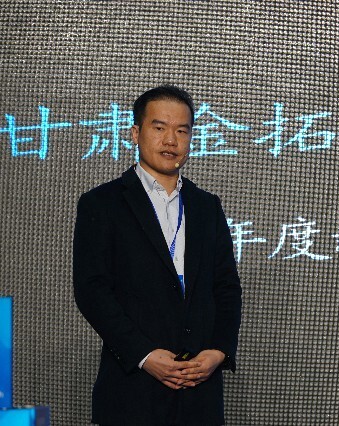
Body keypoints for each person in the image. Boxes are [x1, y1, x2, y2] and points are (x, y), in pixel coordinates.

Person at [73, 85, 242, 425]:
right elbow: (92, 290)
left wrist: (218, 351)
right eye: (159, 127)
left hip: (199, 394)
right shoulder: (102, 203)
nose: (170, 140)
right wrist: (144, 355)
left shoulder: (207, 207)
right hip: (132, 392)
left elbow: (226, 287)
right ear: (136, 133)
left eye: (182, 131)